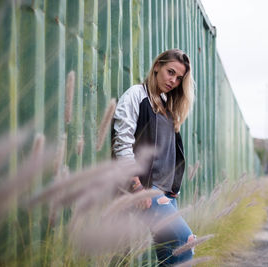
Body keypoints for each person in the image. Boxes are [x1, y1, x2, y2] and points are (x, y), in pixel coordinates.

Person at [112, 49, 196, 265]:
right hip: (146, 191)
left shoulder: (168, 105)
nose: (173, 81)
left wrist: (174, 189)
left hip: (168, 195)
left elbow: (171, 153)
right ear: (157, 66)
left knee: (170, 255)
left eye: (179, 78)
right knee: (186, 242)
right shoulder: (136, 96)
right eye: (170, 72)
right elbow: (122, 143)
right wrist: (137, 187)